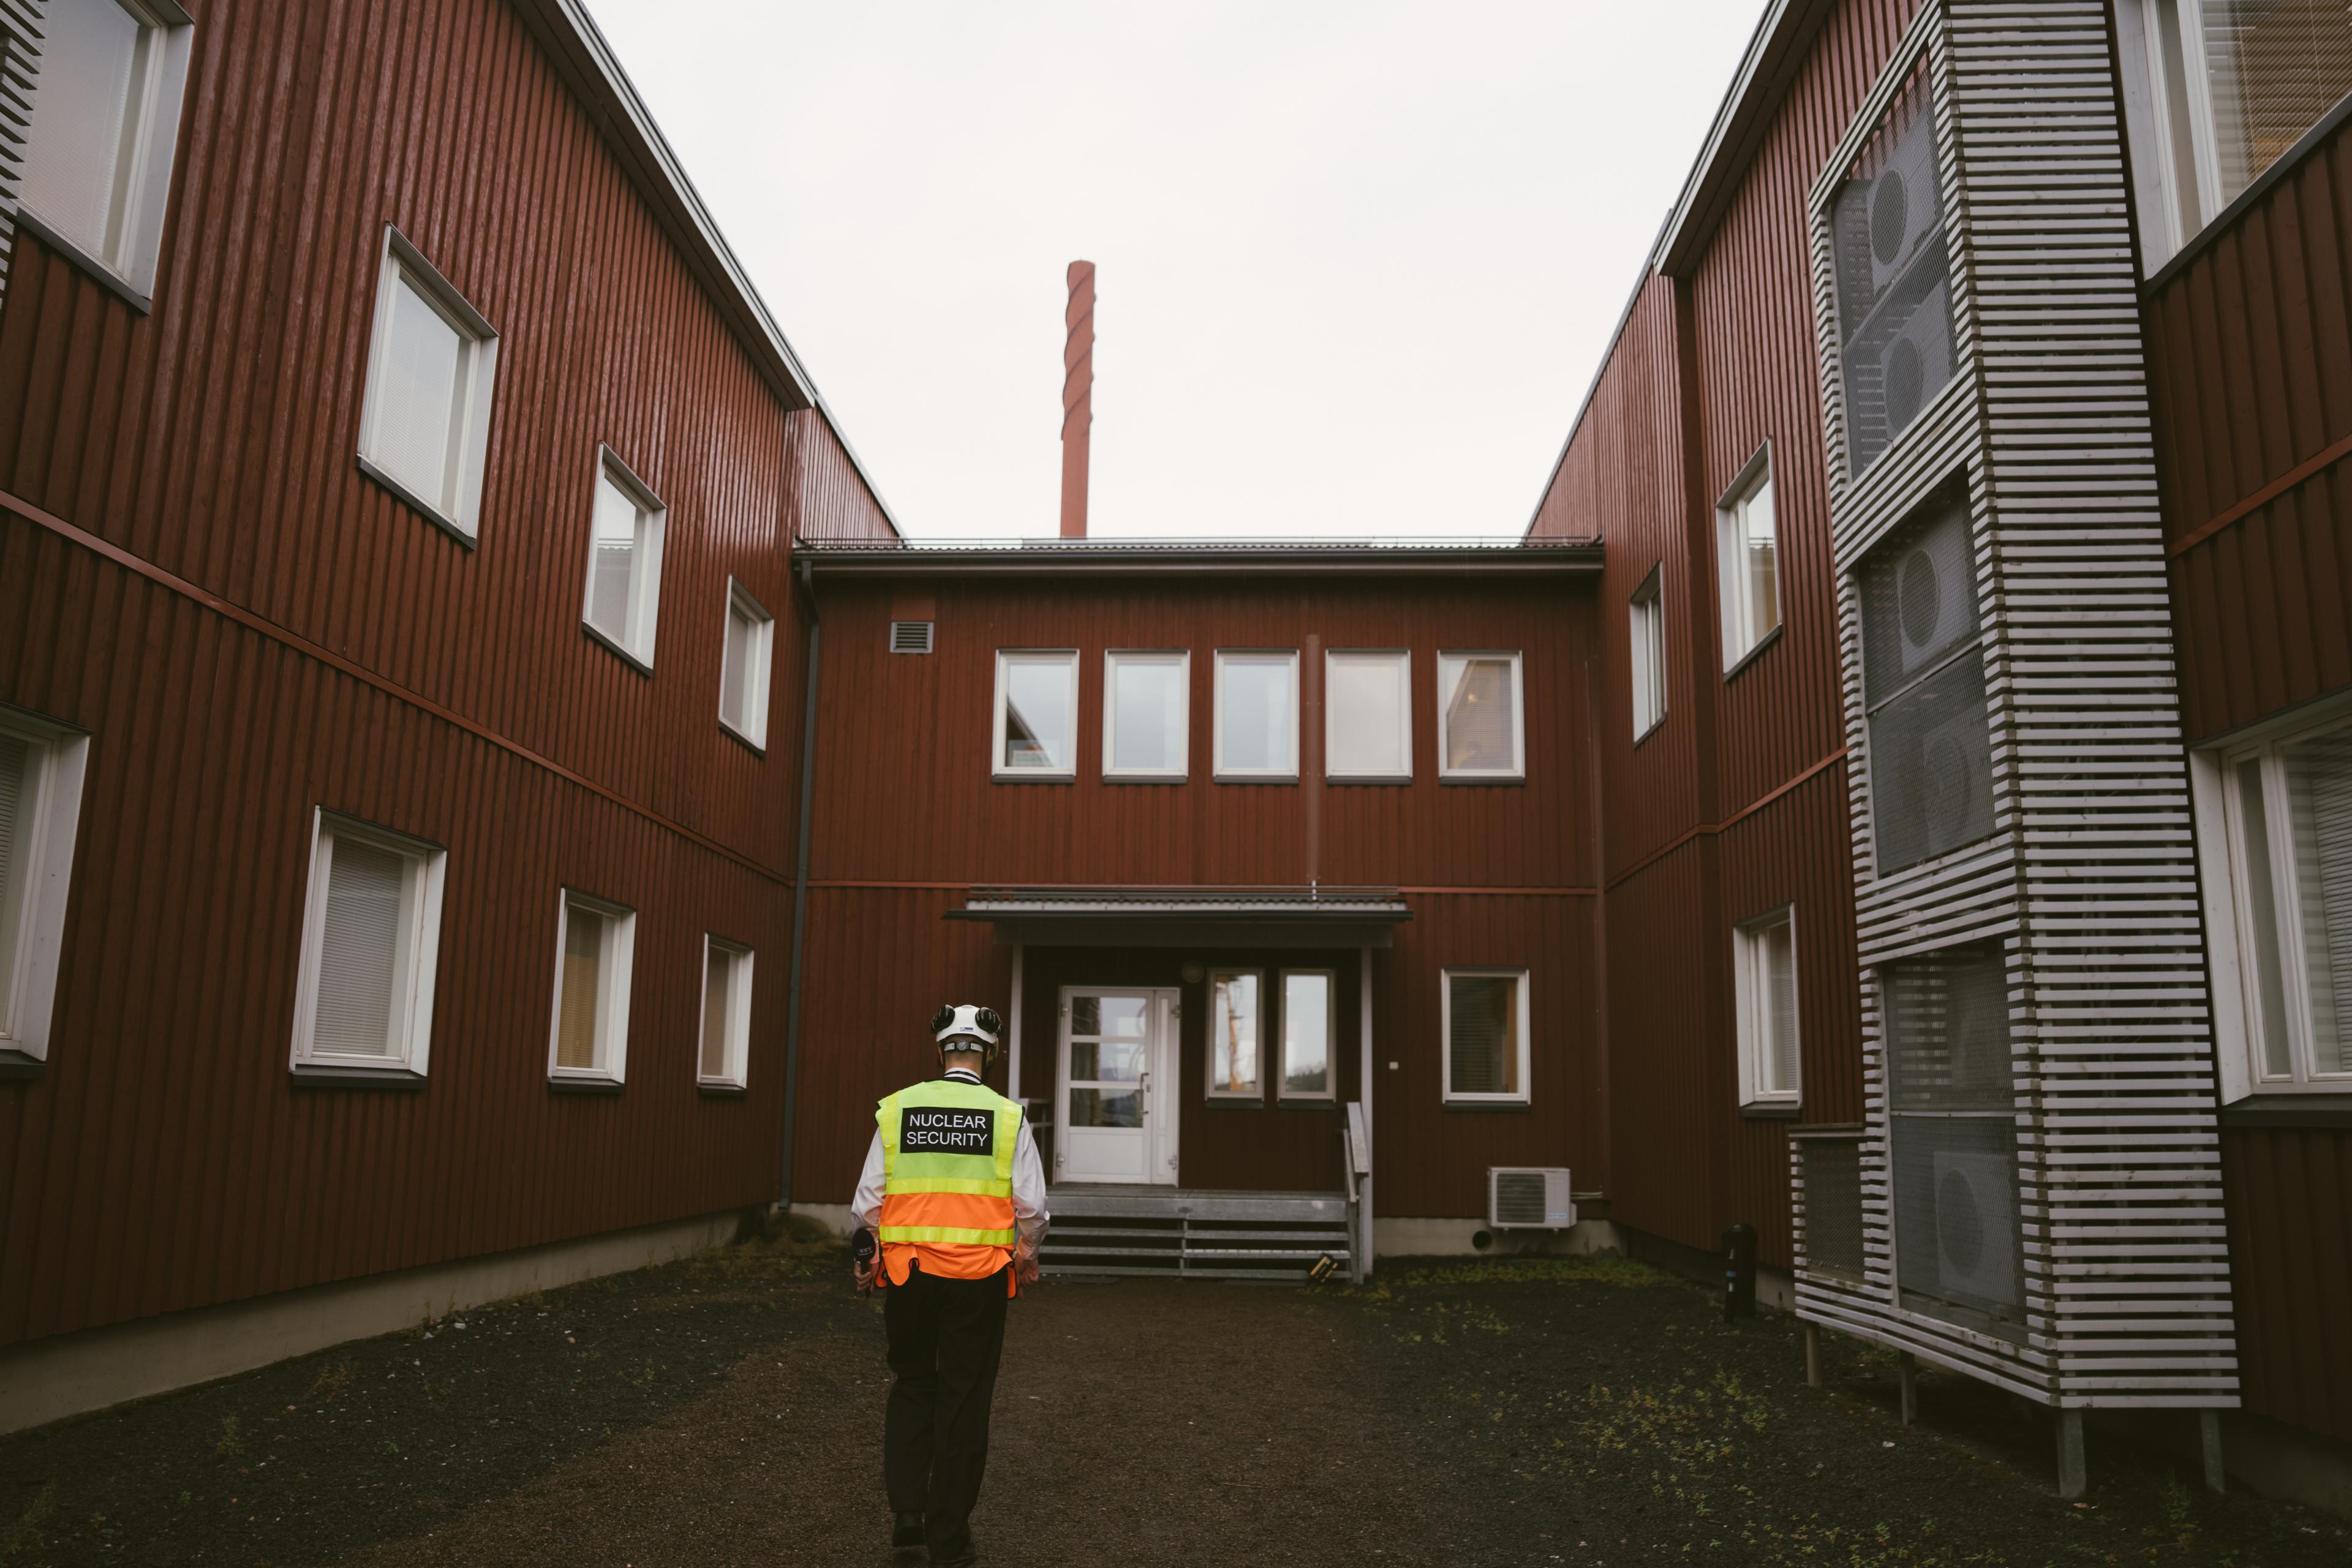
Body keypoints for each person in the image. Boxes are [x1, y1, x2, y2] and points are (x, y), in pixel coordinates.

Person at [850, 1002, 1048, 1567]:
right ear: (991, 1053)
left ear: (941, 1051)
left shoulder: (899, 1109)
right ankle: (949, 1541)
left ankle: (908, 1517)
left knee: (914, 1383)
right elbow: (1032, 1207)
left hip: (909, 1275)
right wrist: (1026, 1256)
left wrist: (868, 1261)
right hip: (980, 1279)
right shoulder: (1007, 1117)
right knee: (964, 1399)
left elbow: (868, 1201)